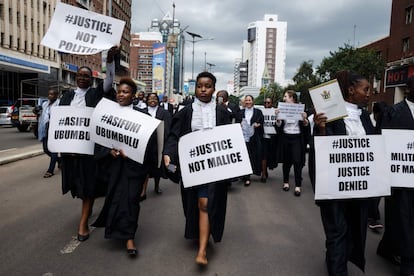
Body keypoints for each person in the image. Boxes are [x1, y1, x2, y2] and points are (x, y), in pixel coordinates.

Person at [163, 71, 231, 266]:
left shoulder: (223, 113)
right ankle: (200, 232)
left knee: (205, 203)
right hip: (191, 167)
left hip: (215, 168)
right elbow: (174, 136)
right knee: (193, 203)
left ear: (213, 89)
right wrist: (169, 153)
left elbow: (229, 140)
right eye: (200, 86)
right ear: (195, 88)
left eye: (207, 86)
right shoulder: (185, 111)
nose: (203, 89)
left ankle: (202, 251)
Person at [313, 70, 374, 276]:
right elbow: (322, 150)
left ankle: (336, 257)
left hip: (358, 186)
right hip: (333, 186)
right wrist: (320, 128)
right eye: (365, 89)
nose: (369, 94)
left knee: (352, 230)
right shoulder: (328, 114)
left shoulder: (364, 116)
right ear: (350, 90)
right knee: (337, 231)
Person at [59, 46, 117, 242]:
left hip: (89, 151)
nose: (83, 78)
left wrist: (109, 62)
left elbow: (108, 82)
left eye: (86, 76)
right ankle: (88, 206)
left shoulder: (95, 94)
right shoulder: (66, 97)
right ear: (76, 78)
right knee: (77, 186)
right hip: (70, 152)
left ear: (91, 79)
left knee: (88, 186)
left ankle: (83, 224)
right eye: (80, 76)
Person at [92, 77, 155, 257]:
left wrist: (134, 153)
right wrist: (108, 151)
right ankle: (115, 230)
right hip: (113, 166)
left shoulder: (143, 117)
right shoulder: (107, 114)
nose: (121, 95)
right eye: (119, 91)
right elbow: (99, 138)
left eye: (126, 92)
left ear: (133, 95)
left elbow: (147, 144)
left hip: (133, 167)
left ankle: (129, 237)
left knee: (131, 200)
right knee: (114, 198)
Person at [377, 75, 414, 276]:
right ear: (408, 88)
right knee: (403, 217)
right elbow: (383, 142)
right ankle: (409, 263)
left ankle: (386, 248)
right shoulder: (394, 112)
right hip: (400, 178)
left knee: (402, 219)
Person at [276, 90, 309, 196]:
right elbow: (278, 126)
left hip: (297, 138)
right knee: (286, 162)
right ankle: (286, 183)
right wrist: (277, 117)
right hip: (285, 137)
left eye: (286, 96)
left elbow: (305, 125)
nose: (284, 98)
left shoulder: (300, 109)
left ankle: (298, 186)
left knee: (297, 161)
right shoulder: (281, 109)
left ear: (292, 98)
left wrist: (304, 119)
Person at [140, 92, 172, 200]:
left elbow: (167, 128)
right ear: (147, 100)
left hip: (158, 143)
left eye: (155, 98)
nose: (152, 100)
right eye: (150, 98)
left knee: (158, 166)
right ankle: (143, 191)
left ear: (158, 100)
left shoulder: (164, 113)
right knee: (145, 167)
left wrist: (165, 142)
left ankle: (157, 186)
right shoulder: (142, 112)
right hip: (145, 144)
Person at [35, 89, 60, 178]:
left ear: (57, 95)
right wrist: (36, 111)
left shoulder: (59, 104)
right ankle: (59, 161)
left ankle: (50, 170)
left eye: (52, 94)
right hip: (44, 128)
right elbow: (40, 115)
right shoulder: (45, 104)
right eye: (49, 94)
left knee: (53, 150)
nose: (50, 96)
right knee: (46, 149)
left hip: (54, 129)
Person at [239, 95, 264, 186]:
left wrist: (258, 124)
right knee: (245, 156)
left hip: (254, 137)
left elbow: (261, 121)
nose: (248, 102)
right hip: (243, 137)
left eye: (249, 100)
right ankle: (246, 177)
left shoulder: (258, 112)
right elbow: (237, 121)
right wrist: (240, 125)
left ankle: (252, 173)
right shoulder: (241, 112)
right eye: (246, 100)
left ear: (253, 101)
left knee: (254, 156)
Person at [260, 97, 278, 183]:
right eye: (265, 103)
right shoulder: (261, 111)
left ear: (272, 103)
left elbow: (279, 123)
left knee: (270, 156)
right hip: (263, 137)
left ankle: (265, 170)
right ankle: (263, 174)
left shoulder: (276, 111)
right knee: (264, 155)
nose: (267, 104)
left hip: (273, 137)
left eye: (269, 103)